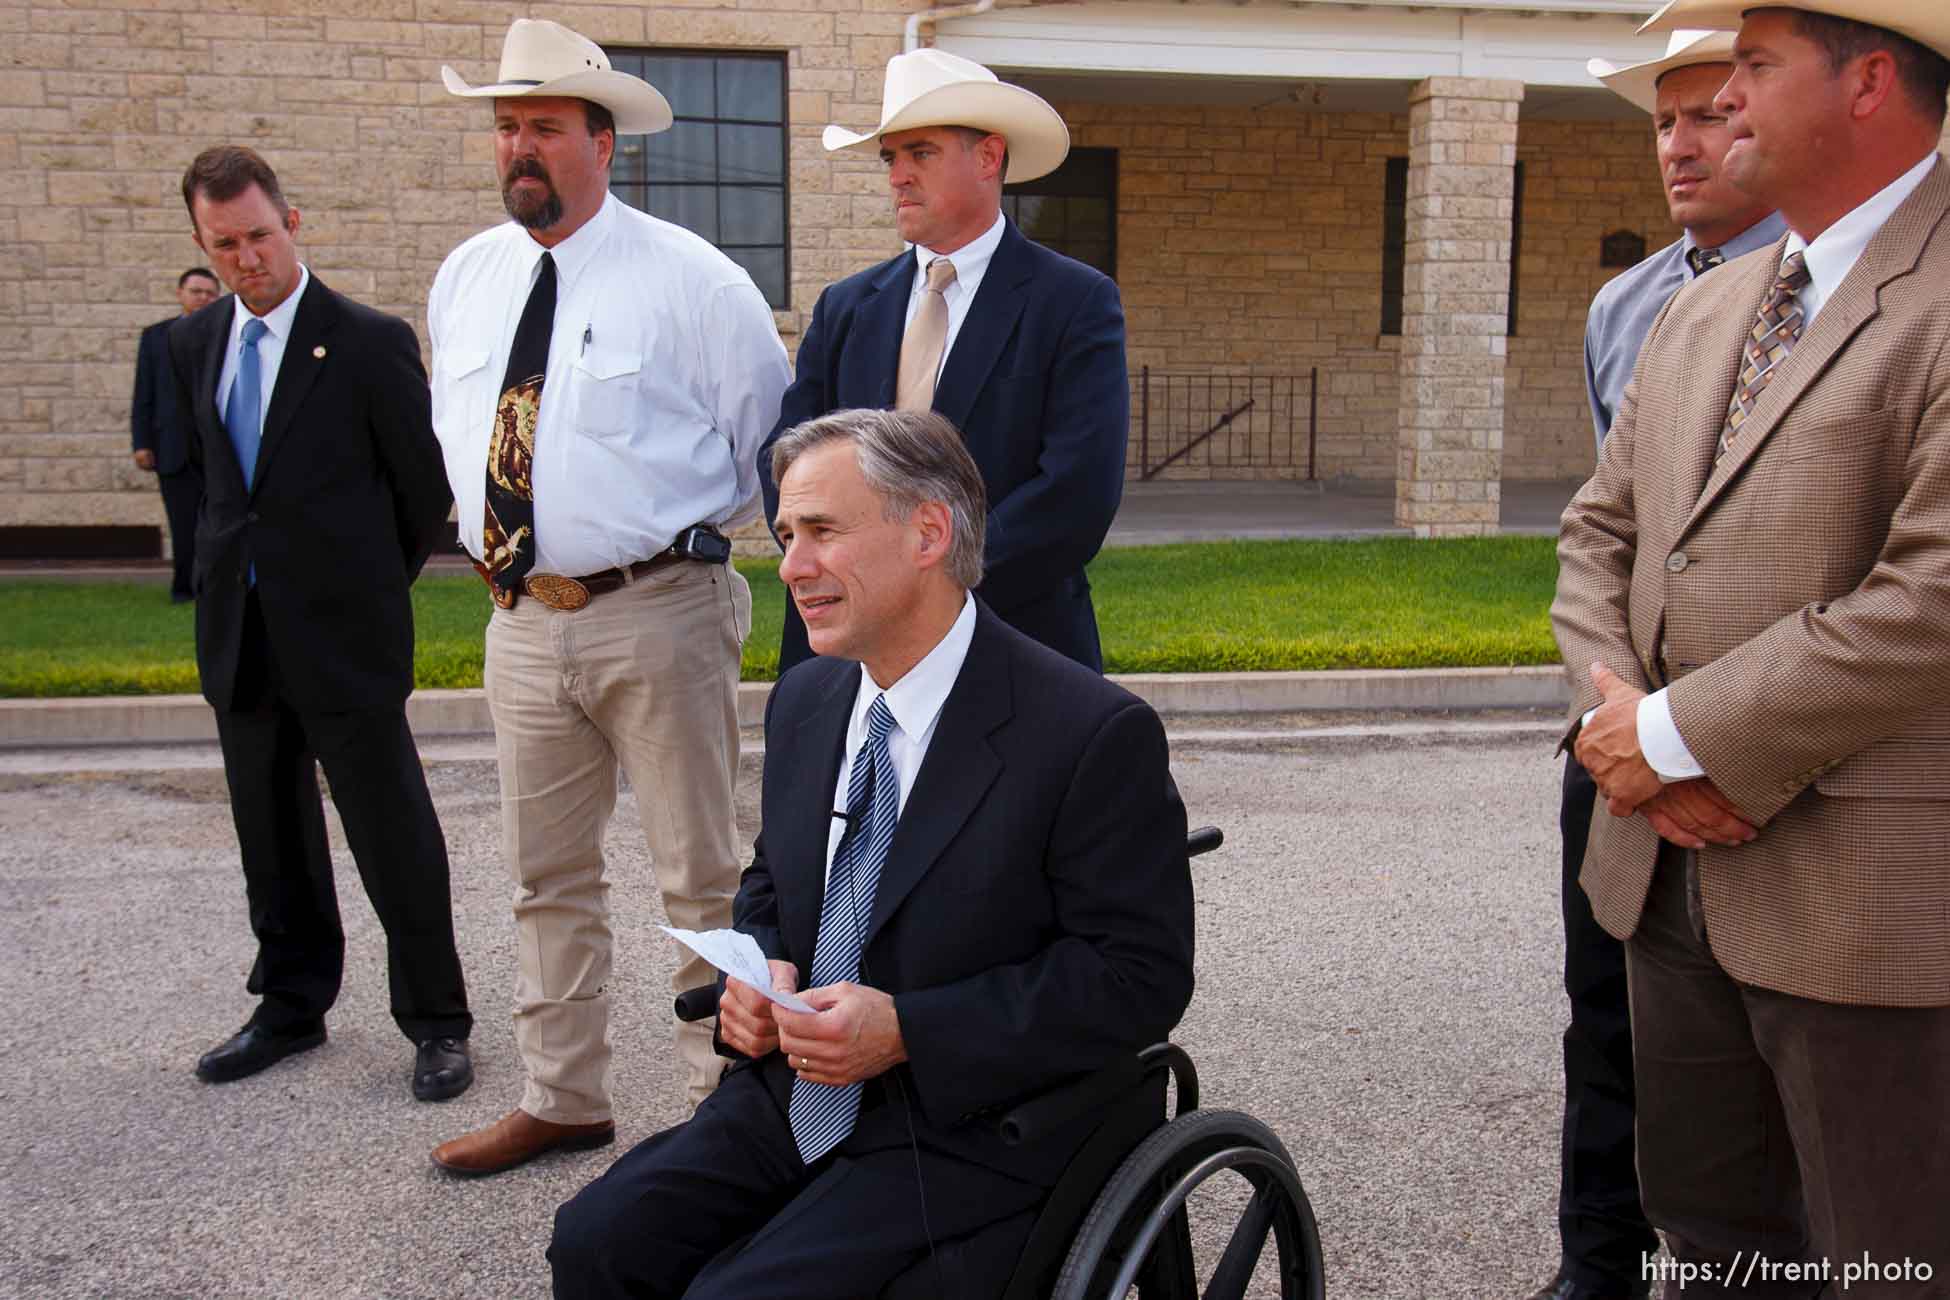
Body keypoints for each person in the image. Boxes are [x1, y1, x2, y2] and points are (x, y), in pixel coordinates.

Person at [547, 407, 1195, 1299]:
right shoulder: (810, 701)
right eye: (783, 535)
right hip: (798, 1090)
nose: (792, 565)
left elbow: (1139, 978)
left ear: (928, 532)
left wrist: (906, 1032)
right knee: (595, 1242)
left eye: (821, 531)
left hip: (973, 1123)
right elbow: (775, 880)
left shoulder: (1087, 733)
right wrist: (761, 968)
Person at [1554, 0, 1950, 1287]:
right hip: (1670, 885)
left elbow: (1930, 596)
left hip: (1864, 912)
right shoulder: (1703, 306)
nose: (1721, 106)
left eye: (1756, 73)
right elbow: (1600, 533)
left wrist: (1668, 736)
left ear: (1871, 82)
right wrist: (1618, 718)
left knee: (1883, 1254)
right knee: (1716, 1247)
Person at [425, 19, 791, 1177]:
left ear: (603, 142)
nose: (518, 148)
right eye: (505, 127)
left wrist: (663, 545)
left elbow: (763, 444)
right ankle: (563, 1095)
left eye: (542, 126)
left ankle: (725, 1114)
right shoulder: (468, 277)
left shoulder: (694, 281)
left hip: (660, 609)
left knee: (704, 873)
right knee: (546, 873)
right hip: (520, 621)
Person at [1527, 31, 1785, 1300]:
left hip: (1766, 749)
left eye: (1712, 115)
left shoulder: (1845, 293)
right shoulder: (1625, 308)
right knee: (1607, 1017)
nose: (1683, 142)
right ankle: (1598, 1265)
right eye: (1665, 121)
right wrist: (1623, 729)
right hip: (1614, 738)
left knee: (1764, 1047)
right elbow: (1611, 536)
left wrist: (1700, 740)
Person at [168, 146, 472, 1100]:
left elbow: (423, 492)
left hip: (345, 635)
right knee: (270, 830)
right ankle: (291, 1005)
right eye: (225, 243)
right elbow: (217, 487)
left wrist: (366, 585)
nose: (246, 257)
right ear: (202, 244)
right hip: (242, 634)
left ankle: (437, 1022)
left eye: (259, 235)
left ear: (291, 224)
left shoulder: (367, 340)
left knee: (392, 833)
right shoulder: (193, 343)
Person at [759, 48, 1128, 676]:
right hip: (848, 650)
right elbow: (788, 464)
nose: (898, 176)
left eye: (920, 153)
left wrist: (929, 587)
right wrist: (844, 571)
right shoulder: (847, 307)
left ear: (988, 157)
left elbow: (1076, 494)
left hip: (1013, 639)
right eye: (890, 158)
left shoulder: (1073, 302)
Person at [131, 267, 219, 603]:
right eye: (196, 291)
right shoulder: (156, 337)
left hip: (216, 449)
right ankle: (184, 588)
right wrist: (141, 442)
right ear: (180, 294)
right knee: (183, 525)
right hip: (172, 448)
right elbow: (144, 393)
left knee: (218, 524)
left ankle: (216, 588)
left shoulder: (228, 333)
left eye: (210, 293)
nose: (203, 298)